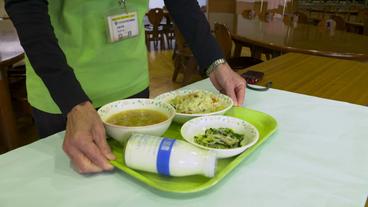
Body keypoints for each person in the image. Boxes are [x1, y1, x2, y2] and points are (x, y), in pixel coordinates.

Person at [5, 0, 246, 173]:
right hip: (62, 97)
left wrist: (216, 62)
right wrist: (72, 102)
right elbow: (26, 7)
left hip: (133, 87)